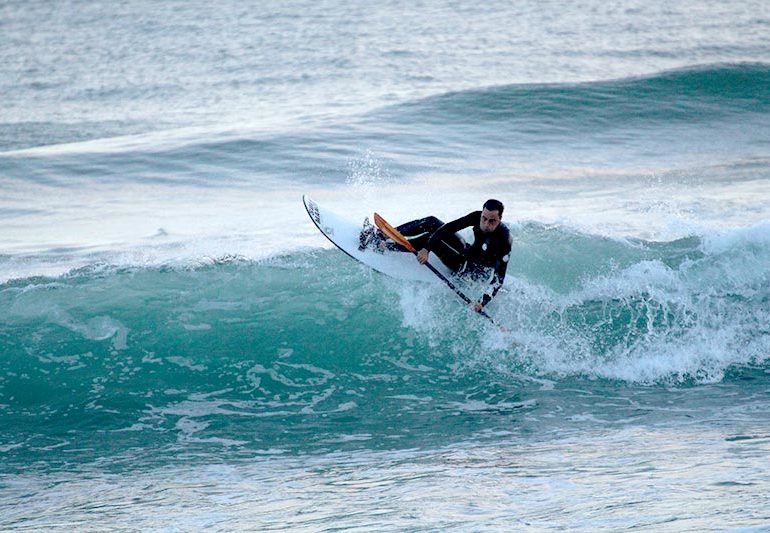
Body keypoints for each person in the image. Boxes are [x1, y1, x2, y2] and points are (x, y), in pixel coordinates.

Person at [360, 199, 512, 312]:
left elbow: (498, 279)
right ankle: (382, 234)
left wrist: (481, 302)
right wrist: (426, 249)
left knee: (430, 239)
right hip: (466, 252)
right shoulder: (477, 217)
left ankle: (381, 245)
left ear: (500, 220)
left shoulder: (504, 240)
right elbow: (448, 228)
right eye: (484, 218)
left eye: (492, 221)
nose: (486, 223)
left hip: (468, 271)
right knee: (432, 222)